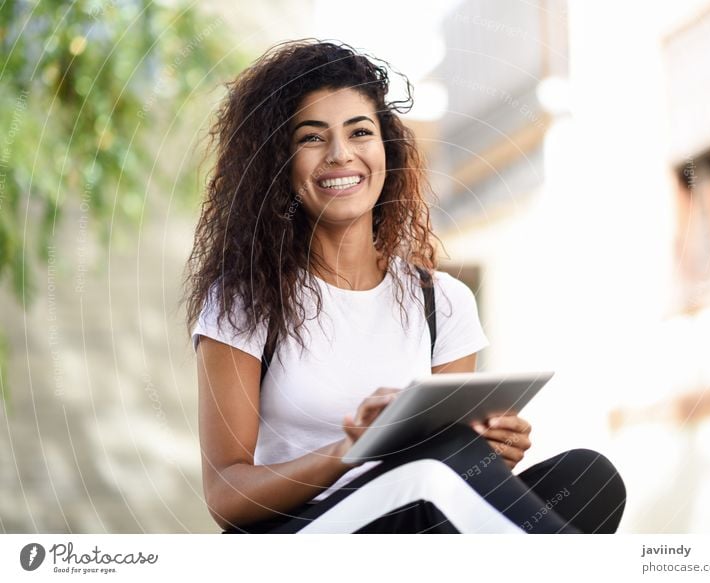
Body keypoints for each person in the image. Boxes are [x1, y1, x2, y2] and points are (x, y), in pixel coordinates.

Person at [183, 38, 626, 533]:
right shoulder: (245, 299)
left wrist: (491, 453)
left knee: (587, 477)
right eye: (311, 138)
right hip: (301, 534)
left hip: (412, 518)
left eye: (360, 132)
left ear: (386, 150)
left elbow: (453, 466)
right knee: (446, 455)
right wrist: (351, 450)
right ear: (278, 167)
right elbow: (227, 496)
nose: (340, 154)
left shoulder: (443, 302)